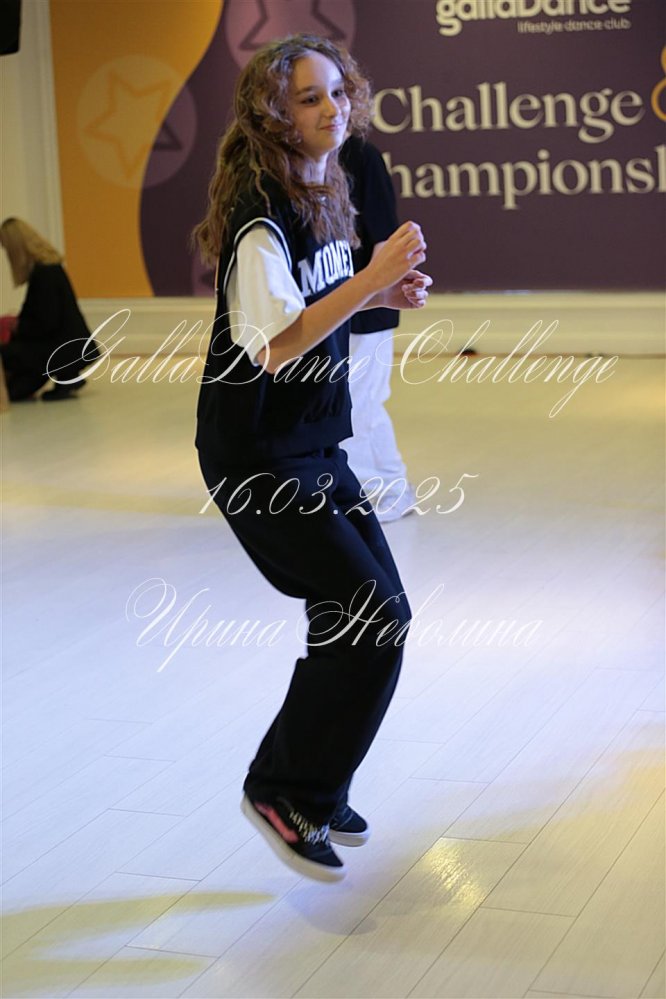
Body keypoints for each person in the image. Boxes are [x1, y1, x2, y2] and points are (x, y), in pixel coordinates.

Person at [193, 34, 431, 883]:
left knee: (376, 613)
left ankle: (317, 783)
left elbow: (320, 301)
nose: (333, 108)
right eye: (309, 97)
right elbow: (275, 344)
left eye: (337, 91)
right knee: (370, 617)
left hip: (311, 441)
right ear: (273, 116)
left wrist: (379, 290)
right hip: (258, 455)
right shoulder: (263, 211)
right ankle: (284, 789)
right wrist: (369, 279)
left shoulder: (322, 185)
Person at [340, 135, 417, 522]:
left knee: (361, 403)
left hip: (369, 306)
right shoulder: (303, 160)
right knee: (353, 402)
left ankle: (382, 490)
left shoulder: (360, 156)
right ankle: (380, 486)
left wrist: (373, 294)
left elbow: (385, 240)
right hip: (335, 305)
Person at [0, 218, 99, 401]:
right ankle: (68, 375)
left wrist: (18, 327)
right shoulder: (50, 269)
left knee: (7, 357)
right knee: (16, 388)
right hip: (72, 347)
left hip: (60, 349)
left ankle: (67, 374)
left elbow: (46, 323)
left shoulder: (43, 275)